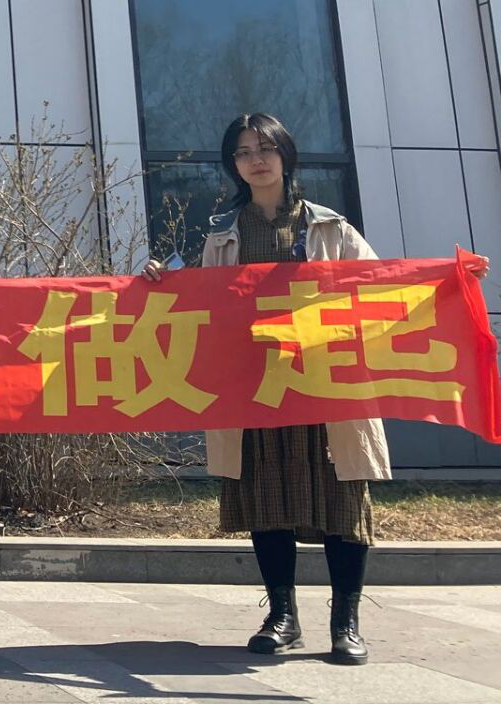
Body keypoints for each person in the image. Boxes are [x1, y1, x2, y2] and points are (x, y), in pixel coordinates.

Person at [143, 114, 490, 664]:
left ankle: (345, 622)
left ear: (286, 154)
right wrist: (157, 277)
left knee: (342, 498)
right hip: (255, 386)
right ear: (233, 165)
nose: (256, 160)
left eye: (265, 148)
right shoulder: (220, 234)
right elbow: (191, 296)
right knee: (265, 497)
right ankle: (282, 617)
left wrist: (450, 282)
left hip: (328, 384)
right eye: (242, 152)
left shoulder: (331, 229)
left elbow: (382, 288)